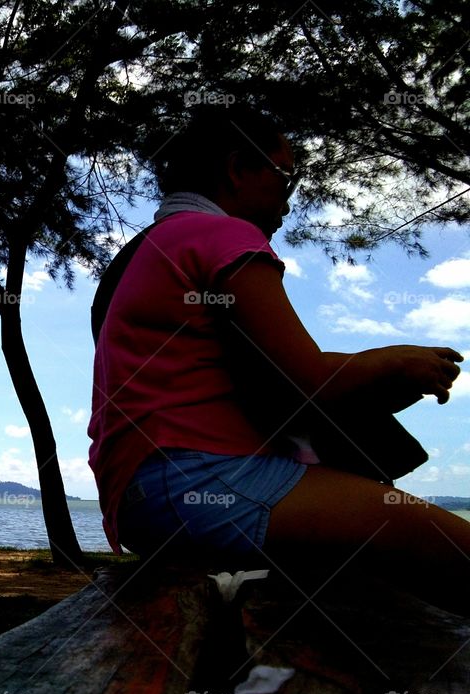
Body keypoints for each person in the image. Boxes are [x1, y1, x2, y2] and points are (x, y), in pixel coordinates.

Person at [88, 106, 467, 613]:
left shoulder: (153, 246)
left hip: (144, 491)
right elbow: (308, 379)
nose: (291, 199)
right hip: (199, 479)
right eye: (287, 177)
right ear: (239, 168)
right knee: (440, 545)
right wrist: (391, 362)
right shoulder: (222, 234)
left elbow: (270, 375)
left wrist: (378, 376)